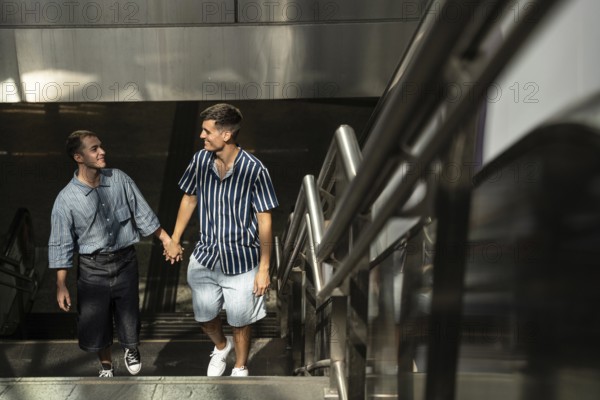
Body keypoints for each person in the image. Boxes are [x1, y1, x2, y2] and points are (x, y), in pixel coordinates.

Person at [49, 130, 179, 378]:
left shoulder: (119, 179)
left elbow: (143, 213)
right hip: (92, 268)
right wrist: (61, 284)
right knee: (96, 321)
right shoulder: (65, 200)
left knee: (129, 313)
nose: (102, 151)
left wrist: (167, 240)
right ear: (78, 157)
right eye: (94, 149)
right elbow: (61, 243)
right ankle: (106, 365)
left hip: (125, 261)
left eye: (101, 146)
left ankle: (131, 347)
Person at [165, 103, 278, 377]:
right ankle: (220, 346)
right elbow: (189, 198)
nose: (202, 136)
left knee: (240, 321)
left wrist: (264, 269)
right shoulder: (200, 161)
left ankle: (240, 366)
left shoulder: (255, 170)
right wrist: (175, 239)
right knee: (204, 317)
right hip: (205, 257)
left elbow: (265, 221)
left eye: (207, 131)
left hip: (242, 262)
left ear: (226, 135)